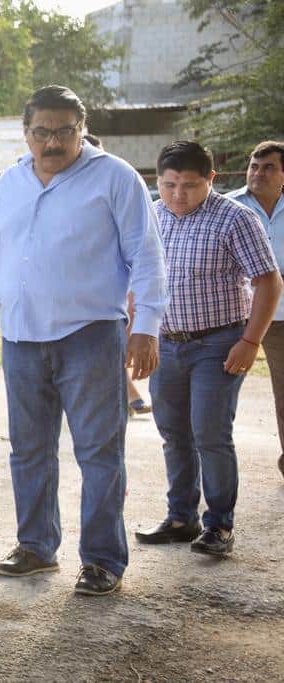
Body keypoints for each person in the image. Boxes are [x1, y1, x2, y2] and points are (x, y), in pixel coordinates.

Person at [0, 85, 167, 596]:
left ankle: (101, 561)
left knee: (99, 452)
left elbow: (147, 255)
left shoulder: (115, 178)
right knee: (28, 450)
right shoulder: (10, 182)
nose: (52, 142)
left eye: (64, 131)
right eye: (41, 132)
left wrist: (146, 329)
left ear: (82, 128)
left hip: (92, 335)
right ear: (25, 132)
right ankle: (35, 547)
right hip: (22, 338)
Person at [136, 141, 281, 557]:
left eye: (190, 186)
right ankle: (181, 517)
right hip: (166, 343)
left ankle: (219, 524)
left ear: (211, 180)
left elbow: (269, 282)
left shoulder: (236, 219)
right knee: (172, 432)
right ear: (157, 181)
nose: (178, 195)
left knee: (210, 433)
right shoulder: (151, 216)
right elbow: (139, 278)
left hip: (218, 343)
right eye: (170, 185)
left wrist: (250, 341)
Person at [226, 141, 284, 480]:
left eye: (268, 168)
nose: (258, 173)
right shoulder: (230, 207)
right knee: (216, 395)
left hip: (281, 319)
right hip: (233, 315)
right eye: (254, 166)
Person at [83, 134, 151, 416]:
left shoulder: (117, 188)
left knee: (110, 348)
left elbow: (141, 252)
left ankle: (127, 396)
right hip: (81, 298)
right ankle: (128, 396)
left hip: (115, 294)